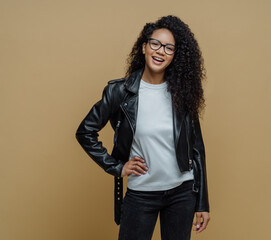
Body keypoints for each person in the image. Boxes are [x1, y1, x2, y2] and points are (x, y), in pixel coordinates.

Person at [76, 15, 210, 240]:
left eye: (169, 48)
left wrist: (202, 203)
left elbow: (197, 148)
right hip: (141, 194)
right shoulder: (120, 92)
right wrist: (117, 167)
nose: (160, 52)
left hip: (182, 193)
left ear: (175, 56)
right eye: (155, 44)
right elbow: (85, 131)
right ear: (144, 47)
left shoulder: (183, 93)